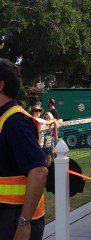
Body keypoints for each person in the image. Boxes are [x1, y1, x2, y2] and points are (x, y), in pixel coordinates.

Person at [0, 58, 48, 239]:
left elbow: (39, 171)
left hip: (16, 221)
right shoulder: (4, 118)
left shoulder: (16, 121)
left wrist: (24, 224)